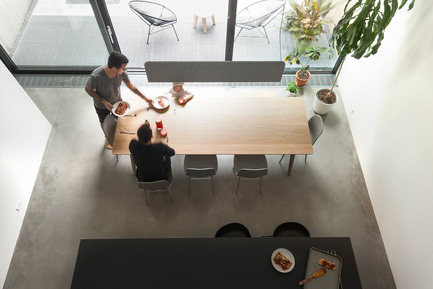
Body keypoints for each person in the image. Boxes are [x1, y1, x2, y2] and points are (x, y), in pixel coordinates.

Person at [85, 51, 152, 149]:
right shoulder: (96, 77)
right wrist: (104, 102)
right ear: (114, 68)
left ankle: (120, 133)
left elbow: (131, 87)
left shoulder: (122, 73)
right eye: (123, 67)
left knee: (120, 120)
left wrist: (145, 98)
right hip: (102, 105)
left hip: (117, 101)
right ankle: (107, 138)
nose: (125, 69)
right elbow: (88, 90)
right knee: (104, 121)